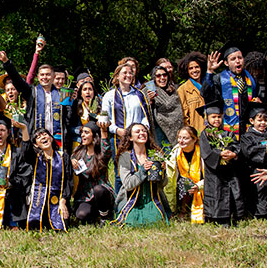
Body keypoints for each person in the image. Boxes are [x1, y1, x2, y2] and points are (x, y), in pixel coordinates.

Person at [0, 48, 71, 150]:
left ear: (53, 76)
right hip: (36, 140)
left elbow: (67, 120)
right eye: (42, 75)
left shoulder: (62, 95)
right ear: (38, 77)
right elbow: (17, 80)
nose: (45, 77)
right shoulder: (32, 92)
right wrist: (6, 62)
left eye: (48, 74)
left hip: (57, 141)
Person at [101, 63, 152, 191]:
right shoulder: (109, 96)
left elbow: (144, 115)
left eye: (130, 73)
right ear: (117, 76)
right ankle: (121, 204)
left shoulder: (139, 95)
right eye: (125, 73)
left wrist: (143, 128)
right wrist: (117, 130)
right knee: (121, 173)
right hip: (118, 137)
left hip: (138, 138)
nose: (128, 75)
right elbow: (105, 118)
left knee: (139, 168)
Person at [113, 123, 171, 226]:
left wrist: (162, 172)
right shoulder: (125, 157)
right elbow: (128, 185)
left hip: (153, 199)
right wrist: (142, 171)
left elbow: (163, 184)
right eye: (137, 131)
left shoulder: (155, 154)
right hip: (132, 200)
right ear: (130, 137)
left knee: (156, 221)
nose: (142, 133)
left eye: (144, 131)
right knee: (132, 222)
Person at [197, 101, 243, 225]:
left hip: (229, 170)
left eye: (219, 116)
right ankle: (216, 218)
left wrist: (233, 154)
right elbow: (206, 153)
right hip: (214, 172)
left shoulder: (227, 133)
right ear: (207, 118)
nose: (217, 119)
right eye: (213, 117)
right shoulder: (205, 134)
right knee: (216, 193)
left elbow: (236, 146)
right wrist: (219, 155)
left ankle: (232, 217)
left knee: (232, 192)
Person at [202, 41, 260, 139]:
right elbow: (206, 94)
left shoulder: (251, 80)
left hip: (248, 127)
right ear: (226, 63)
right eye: (233, 59)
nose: (238, 61)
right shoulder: (219, 79)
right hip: (228, 128)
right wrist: (209, 72)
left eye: (240, 58)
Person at [239, 106, 267, 219]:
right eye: (259, 120)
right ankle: (261, 213)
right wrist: (264, 150)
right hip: (255, 169)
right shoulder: (247, 137)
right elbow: (247, 151)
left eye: (265, 120)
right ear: (251, 121)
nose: (263, 123)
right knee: (260, 189)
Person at [22, 128, 72, 231]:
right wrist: (23, 129)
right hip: (39, 201)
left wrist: (63, 201)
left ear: (51, 138)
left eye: (45, 134)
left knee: (63, 222)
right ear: (36, 144)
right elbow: (26, 151)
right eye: (38, 137)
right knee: (36, 224)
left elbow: (68, 181)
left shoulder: (63, 157)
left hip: (57, 202)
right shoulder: (35, 158)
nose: (42, 137)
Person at [70, 121, 115, 223]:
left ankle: (105, 216)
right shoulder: (78, 152)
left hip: (101, 192)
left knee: (98, 190)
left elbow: (106, 147)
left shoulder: (101, 153)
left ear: (94, 136)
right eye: (82, 132)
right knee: (81, 215)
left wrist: (103, 130)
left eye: (86, 132)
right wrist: (71, 162)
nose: (82, 135)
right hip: (85, 195)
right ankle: (95, 213)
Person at [164, 126, 205, 223]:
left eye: (185, 138)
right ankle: (183, 210)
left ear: (194, 139)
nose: (181, 141)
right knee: (185, 182)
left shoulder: (202, 152)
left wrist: (199, 185)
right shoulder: (175, 153)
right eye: (179, 137)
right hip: (182, 186)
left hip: (202, 184)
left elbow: (209, 175)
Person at [147, 65, 183, 148]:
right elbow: (144, 112)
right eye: (158, 76)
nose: (162, 78)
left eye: (164, 75)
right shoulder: (148, 90)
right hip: (159, 131)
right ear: (154, 78)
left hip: (177, 131)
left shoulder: (175, 90)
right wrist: (150, 101)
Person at [176, 52, 207, 132]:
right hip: (197, 133)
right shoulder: (182, 90)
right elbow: (184, 117)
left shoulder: (209, 85)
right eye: (191, 68)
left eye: (197, 67)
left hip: (212, 132)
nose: (194, 70)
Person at [69, 77, 101, 149]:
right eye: (84, 89)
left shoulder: (100, 107)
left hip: (96, 144)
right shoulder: (75, 107)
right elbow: (69, 128)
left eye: (90, 89)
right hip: (79, 143)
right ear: (81, 93)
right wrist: (80, 129)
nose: (87, 92)